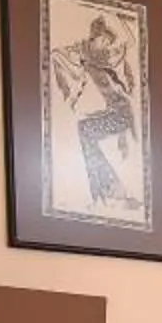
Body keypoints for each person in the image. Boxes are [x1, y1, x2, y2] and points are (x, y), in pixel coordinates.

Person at [48, 13, 144, 216]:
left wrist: (123, 20)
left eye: (106, 40)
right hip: (113, 111)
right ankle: (104, 191)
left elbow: (132, 41)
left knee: (85, 132)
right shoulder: (89, 55)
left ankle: (107, 191)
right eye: (100, 39)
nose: (104, 43)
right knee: (84, 133)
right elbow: (66, 63)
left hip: (122, 113)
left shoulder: (106, 55)